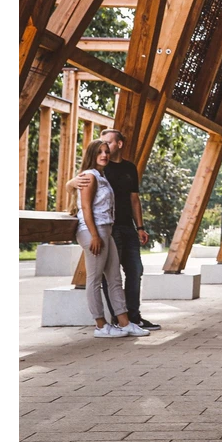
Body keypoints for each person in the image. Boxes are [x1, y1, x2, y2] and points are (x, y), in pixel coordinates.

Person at [67, 129, 159, 331]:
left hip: (114, 228)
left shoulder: (112, 172)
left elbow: (133, 198)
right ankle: (103, 324)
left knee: (124, 274)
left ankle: (128, 321)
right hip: (99, 230)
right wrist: (70, 183)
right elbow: (85, 206)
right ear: (93, 154)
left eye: (107, 148)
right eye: (100, 149)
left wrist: (140, 227)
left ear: (119, 145)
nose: (105, 153)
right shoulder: (92, 174)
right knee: (98, 278)